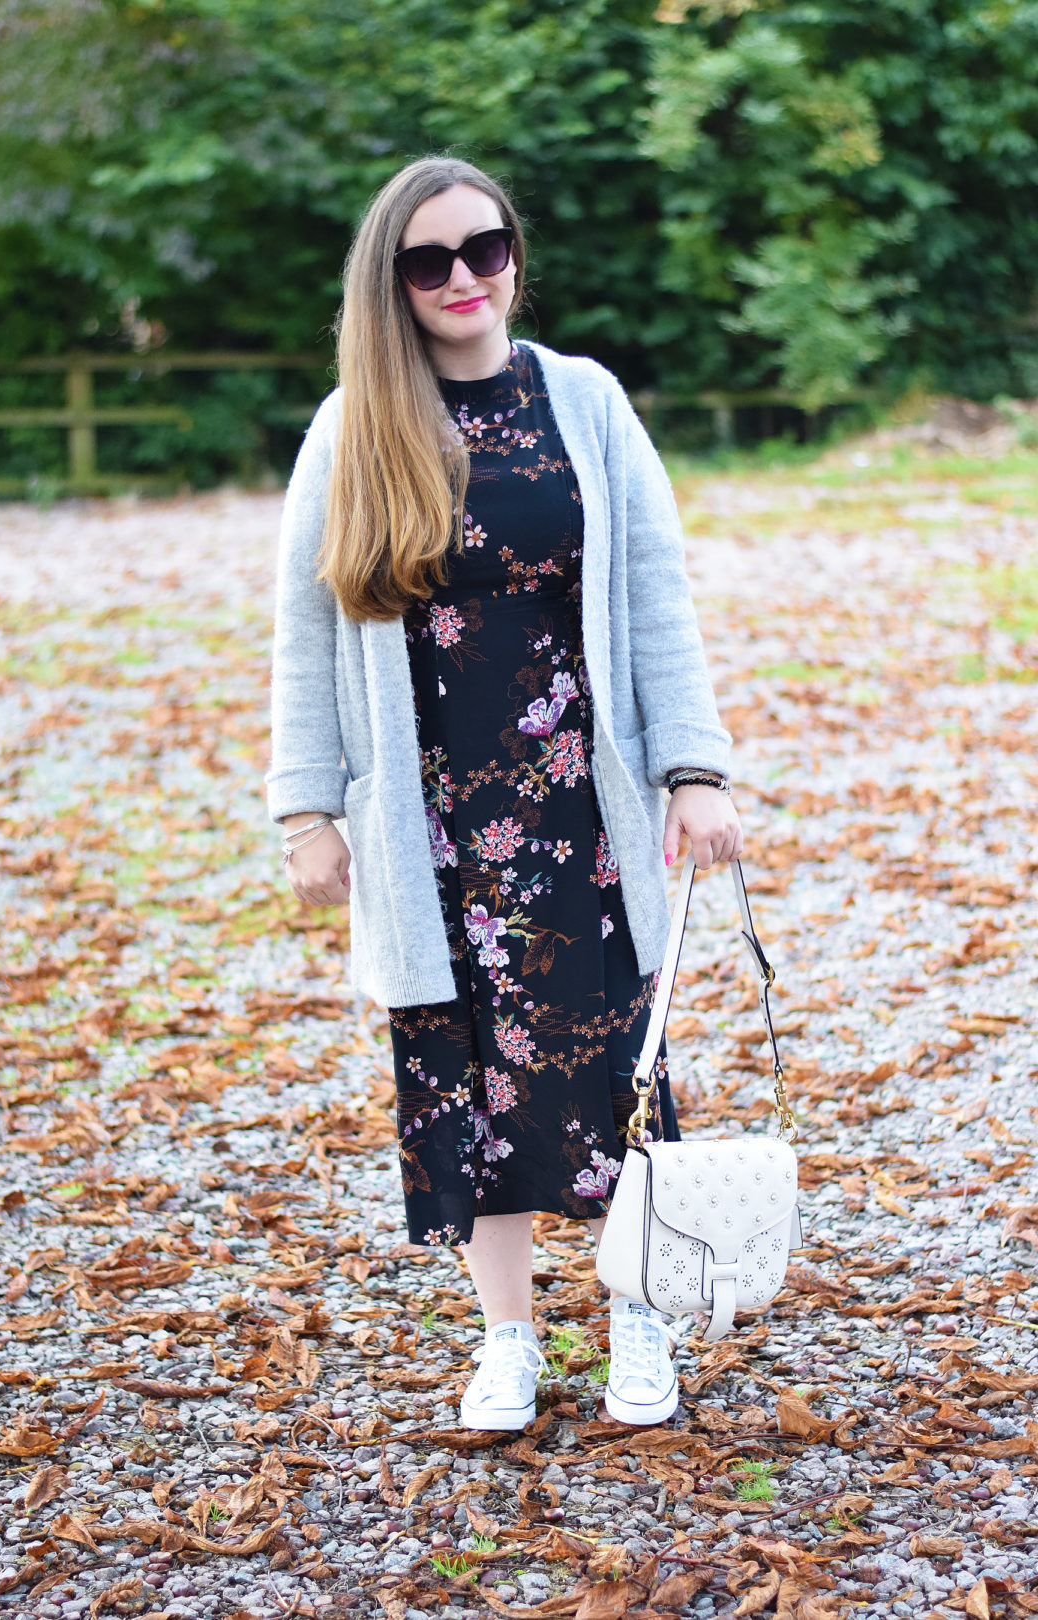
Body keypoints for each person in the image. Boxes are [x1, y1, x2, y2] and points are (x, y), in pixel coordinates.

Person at [267, 154, 742, 1433]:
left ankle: (637, 1318)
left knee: (614, 1077)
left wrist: (692, 769)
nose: (466, 278)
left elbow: (659, 595)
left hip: (584, 815)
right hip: (431, 831)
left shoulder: (584, 401)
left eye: (486, 248)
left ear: (515, 253)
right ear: (394, 285)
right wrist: (308, 809)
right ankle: (510, 1341)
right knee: (465, 1086)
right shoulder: (354, 429)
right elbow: (307, 635)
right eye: (430, 263)